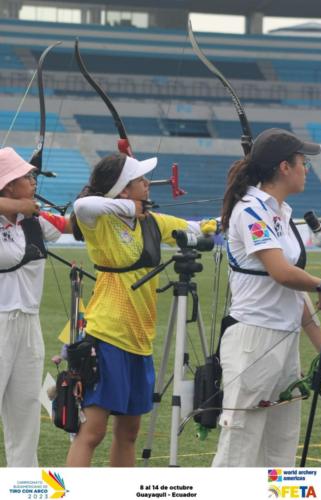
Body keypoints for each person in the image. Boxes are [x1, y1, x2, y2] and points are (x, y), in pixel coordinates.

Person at [66, 152, 208, 467]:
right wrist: (128, 207)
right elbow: (82, 206)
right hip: (107, 333)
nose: (148, 184)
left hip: (140, 338)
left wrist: (221, 223)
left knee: (129, 431)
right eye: (140, 180)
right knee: (92, 430)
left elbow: (195, 228)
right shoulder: (99, 221)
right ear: (124, 190)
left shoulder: (153, 222)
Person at [211, 128, 321, 467]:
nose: (306, 168)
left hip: (284, 341)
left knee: (279, 452)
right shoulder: (251, 210)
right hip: (254, 341)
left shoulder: (281, 211)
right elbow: (281, 272)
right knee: (239, 449)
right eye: (302, 162)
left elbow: (290, 290)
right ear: (284, 167)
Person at [0, 147, 72, 467]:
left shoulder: (34, 223)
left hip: (29, 325)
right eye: (27, 177)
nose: (33, 181)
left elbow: (71, 225)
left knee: (26, 410)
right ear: (9, 185)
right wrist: (14, 206)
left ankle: (23, 484)